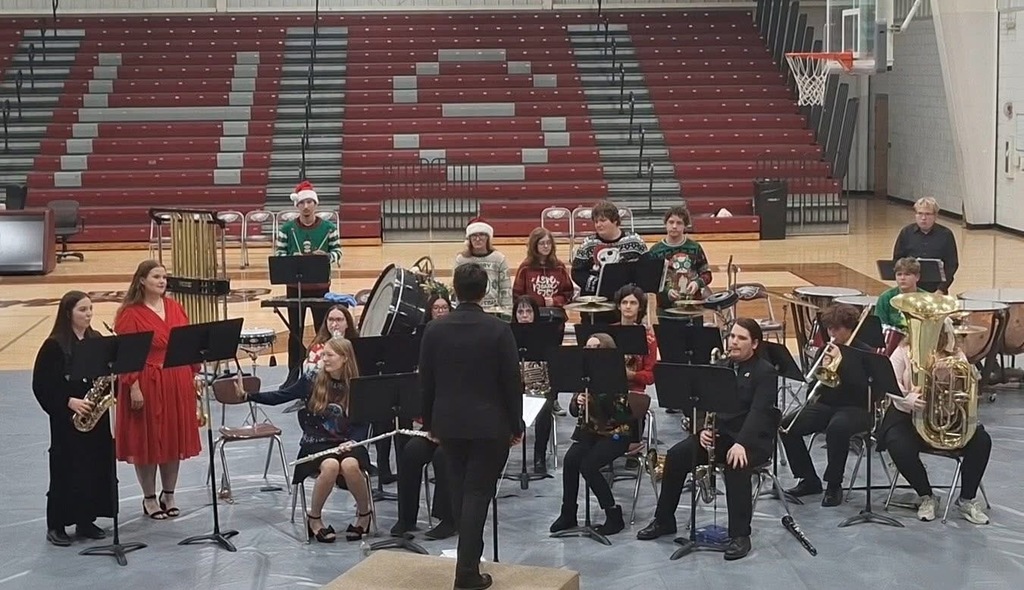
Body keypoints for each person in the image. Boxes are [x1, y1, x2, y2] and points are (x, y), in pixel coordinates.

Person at [636, 319, 779, 561]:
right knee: (677, 455)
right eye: (732, 336)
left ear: (754, 343)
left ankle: (740, 535)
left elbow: (759, 412)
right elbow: (702, 401)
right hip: (720, 437)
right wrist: (701, 428)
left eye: (741, 338)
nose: (733, 341)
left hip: (752, 440)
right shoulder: (721, 365)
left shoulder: (764, 372)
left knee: (736, 465)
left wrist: (741, 443)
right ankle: (664, 520)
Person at [419, 263, 523, 590]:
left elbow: (426, 382)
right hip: (490, 424)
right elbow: (511, 382)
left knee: (459, 487)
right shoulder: (498, 329)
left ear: (454, 289)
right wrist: (516, 423)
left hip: (448, 422)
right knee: (478, 492)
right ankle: (466, 572)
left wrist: (429, 421)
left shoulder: (434, 329)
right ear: (485, 291)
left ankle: (469, 561)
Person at [239, 337, 373, 542]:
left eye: (329, 355)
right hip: (315, 443)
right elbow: (281, 396)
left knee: (350, 464)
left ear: (345, 358)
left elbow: (363, 422)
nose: (324, 359)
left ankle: (364, 515)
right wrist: (249, 396)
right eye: (323, 354)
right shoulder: (312, 379)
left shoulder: (357, 384)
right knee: (329, 466)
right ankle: (314, 518)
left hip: (348, 443)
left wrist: (354, 441)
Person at [879, 320, 991, 524]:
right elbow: (889, 382)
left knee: (982, 441)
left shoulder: (955, 354)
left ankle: (967, 499)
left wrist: (950, 376)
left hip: (945, 416)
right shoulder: (903, 350)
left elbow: (965, 387)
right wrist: (907, 399)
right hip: (907, 417)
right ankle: (926, 496)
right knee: (897, 444)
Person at [114, 260, 202, 520]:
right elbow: (127, 354)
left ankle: (169, 493)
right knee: (148, 440)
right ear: (142, 280)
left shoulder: (175, 307)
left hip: (176, 377)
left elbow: (187, 343)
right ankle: (150, 497)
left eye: (164, 277)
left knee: (173, 438)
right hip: (146, 379)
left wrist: (192, 375)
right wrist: (133, 387)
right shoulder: (130, 314)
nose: (162, 281)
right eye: (156, 277)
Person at [32, 291, 115, 546]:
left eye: (90, 309)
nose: (88, 314)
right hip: (68, 418)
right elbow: (42, 384)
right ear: (68, 313)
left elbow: (105, 374)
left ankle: (85, 520)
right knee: (67, 469)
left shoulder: (96, 339)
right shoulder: (55, 345)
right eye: (82, 310)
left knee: (94, 466)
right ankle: (56, 524)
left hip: (95, 416)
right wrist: (69, 402)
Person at [780, 303, 872, 507]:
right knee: (787, 426)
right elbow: (814, 385)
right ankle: (808, 479)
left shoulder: (864, 352)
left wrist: (843, 362)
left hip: (856, 408)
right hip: (827, 404)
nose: (832, 333)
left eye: (837, 329)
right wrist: (822, 367)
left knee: (837, 428)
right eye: (829, 328)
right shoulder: (825, 349)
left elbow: (865, 389)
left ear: (849, 328)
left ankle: (833, 484)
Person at [549, 332, 632, 537]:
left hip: (616, 433)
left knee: (589, 466)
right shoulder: (584, 375)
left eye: (595, 348)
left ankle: (613, 514)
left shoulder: (615, 376)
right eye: (588, 348)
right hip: (590, 432)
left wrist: (597, 400)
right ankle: (568, 513)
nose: (590, 352)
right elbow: (573, 411)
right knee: (570, 461)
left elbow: (621, 415)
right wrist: (577, 403)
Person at [274, 180, 343, 385]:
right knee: (295, 331)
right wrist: (290, 258)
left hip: (321, 288)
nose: (306, 206)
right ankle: (293, 373)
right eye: (302, 203)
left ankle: (323, 371)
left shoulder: (329, 228)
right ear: (297, 205)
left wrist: (326, 257)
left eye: (309, 202)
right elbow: (279, 253)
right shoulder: (287, 229)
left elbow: (338, 252)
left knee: (323, 331)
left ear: (315, 204)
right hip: (295, 288)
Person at [570, 200, 648, 322]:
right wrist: (598, 284)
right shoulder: (588, 243)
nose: (598, 225)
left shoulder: (635, 241)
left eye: (603, 220)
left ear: (615, 221)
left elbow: (646, 270)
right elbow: (577, 272)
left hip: (626, 303)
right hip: (597, 303)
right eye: (596, 221)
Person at [512, 296, 561, 473]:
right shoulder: (508, 333)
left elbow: (553, 362)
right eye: (520, 312)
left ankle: (539, 455)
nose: (524, 316)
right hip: (514, 384)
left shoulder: (545, 333)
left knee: (545, 410)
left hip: (539, 382)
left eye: (528, 311)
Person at [645, 205, 712, 313]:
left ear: (685, 225)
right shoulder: (655, 251)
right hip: (666, 309)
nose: (674, 226)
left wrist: (697, 283)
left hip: (693, 309)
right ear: (665, 224)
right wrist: (666, 291)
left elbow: (707, 274)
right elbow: (651, 280)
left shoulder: (695, 247)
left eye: (679, 223)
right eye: (671, 222)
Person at [892, 197, 959, 294]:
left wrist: (941, 289)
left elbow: (951, 265)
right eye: (920, 213)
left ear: (935, 216)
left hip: (936, 289)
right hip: (911, 288)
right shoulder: (906, 232)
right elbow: (897, 260)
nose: (923, 218)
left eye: (928, 214)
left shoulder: (946, 234)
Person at [454, 218, 512, 312]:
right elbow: (457, 290)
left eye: (481, 235)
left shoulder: (499, 259)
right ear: (469, 238)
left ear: (488, 237)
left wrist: (507, 312)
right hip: (469, 312)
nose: (478, 239)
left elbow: (505, 289)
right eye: (474, 235)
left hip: (494, 311)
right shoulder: (461, 260)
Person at [513, 227, 575, 312]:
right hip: (532, 316)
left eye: (548, 243)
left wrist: (555, 301)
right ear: (534, 245)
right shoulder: (525, 267)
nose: (546, 246)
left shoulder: (559, 266)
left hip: (555, 315)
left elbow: (568, 293)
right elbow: (517, 295)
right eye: (542, 243)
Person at [302, 305, 359, 379]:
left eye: (339, 320)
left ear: (347, 323)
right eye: (331, 320)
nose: (334, 324)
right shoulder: (317, 349)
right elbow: (309, 378)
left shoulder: (357, 346)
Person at [874, 257, 926, 332]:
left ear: (917, 277)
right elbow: (880, 324)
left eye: (907, 274)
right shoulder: (886, 297)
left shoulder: (926, 298)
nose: (902, 278)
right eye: (899, 274)